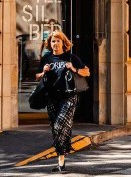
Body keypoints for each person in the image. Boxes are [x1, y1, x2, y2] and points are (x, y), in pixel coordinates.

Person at [36, 30, 90, 173]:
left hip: (68, 98)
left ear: (63, 43)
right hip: (52, 98)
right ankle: (61, 160)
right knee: (56, 129)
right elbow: (37, 76)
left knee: (61, 125)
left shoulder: (70, 57)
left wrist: (73, 68)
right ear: (50, 43)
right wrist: (43, 72)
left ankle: (62, 156)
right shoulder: (47, 58)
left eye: (58, 41)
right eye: (53, 41)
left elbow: (87, 72)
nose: (55, 44)